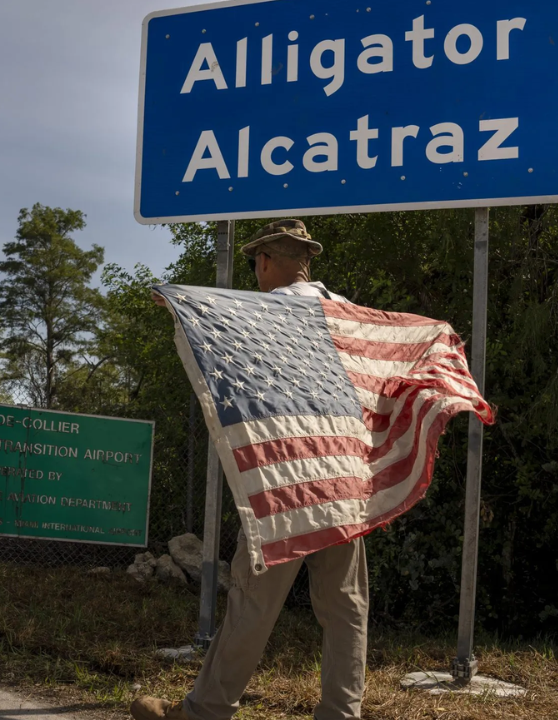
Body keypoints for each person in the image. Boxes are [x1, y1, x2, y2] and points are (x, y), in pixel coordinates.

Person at [134, 219, 368, 720]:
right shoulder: (346, 314)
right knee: (345, 606)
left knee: (252, 602)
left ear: (264, 261)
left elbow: (212, 316)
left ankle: (206, 711)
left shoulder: (265, 310)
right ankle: (341, 714)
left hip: (288, 479)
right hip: (345, 477)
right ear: (307, 259)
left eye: (256, 264)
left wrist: (176, 299)